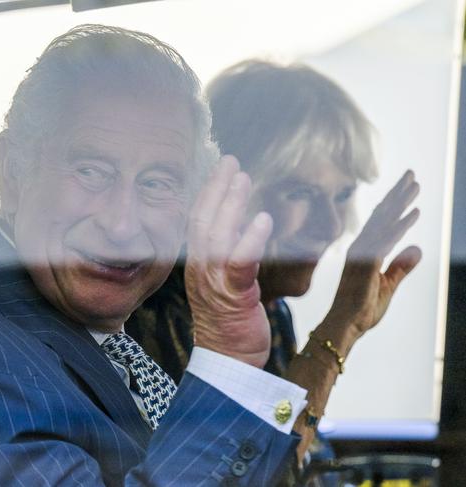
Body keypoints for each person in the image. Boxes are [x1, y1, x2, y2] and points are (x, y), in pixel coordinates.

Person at [0, 28, 419, 486]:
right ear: (12, 173)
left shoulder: (78, 319)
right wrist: (231, 358)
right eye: (90, 172)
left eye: (158, 182)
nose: (122, 223)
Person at [127, 59, 422, 464]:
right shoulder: (165, 314)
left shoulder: (272, 310)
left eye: (342, 195)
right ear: (224, 190)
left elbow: (286, 430)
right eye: (299, 193)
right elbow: (259, 467)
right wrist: (342, 326)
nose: (332, 225)